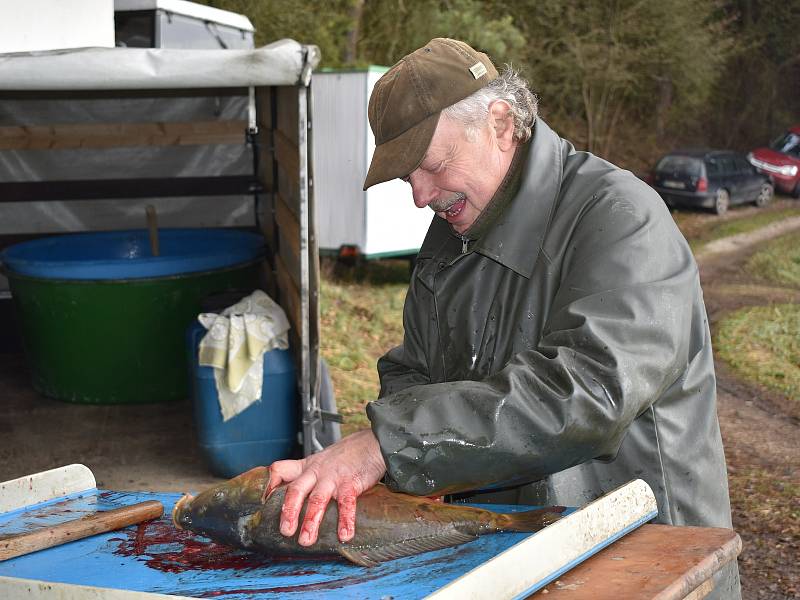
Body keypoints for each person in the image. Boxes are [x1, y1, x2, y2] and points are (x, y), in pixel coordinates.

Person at [268, 38, 739, 596]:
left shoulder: (619, 217)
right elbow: (414, 371)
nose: (419, 195)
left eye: (432, 165)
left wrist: (390, 445)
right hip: (511, 558)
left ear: (499, 122)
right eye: (405, 175)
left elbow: (585, 394)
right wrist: (389, 456)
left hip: (646, 561)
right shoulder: (447, 243)